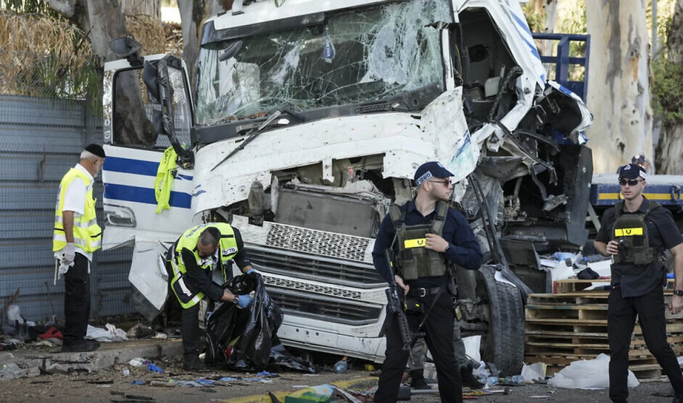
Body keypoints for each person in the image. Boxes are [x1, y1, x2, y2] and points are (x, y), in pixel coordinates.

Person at [372, 161, 483, 403]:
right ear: (426, 183)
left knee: (446, 362)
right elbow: (379, 255)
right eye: (445, 182)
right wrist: (395, 277)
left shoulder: (453, 219)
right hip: (405, 301)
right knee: (394, 362)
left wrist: (448, 248)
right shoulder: (396, 218)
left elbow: (476, 258)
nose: (449, 186)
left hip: (438, 300)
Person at [594, 163, 683, 403]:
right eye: (623, 182)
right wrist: (605, 249)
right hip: (620, 288)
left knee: (657, 345)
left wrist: (678, 293)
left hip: (648, 288)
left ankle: (681, 390)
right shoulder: (612, 214)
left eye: (632, 182)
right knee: (618, 348)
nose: (627, 186)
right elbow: (599, 242)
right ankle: (618, 399)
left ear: (643, 184)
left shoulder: (658, 215)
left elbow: (679, 252)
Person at [166, 222, 256, 371]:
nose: (201, 253)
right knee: (190, 304)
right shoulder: (189, 249)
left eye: (205, 252)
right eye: (200, 250)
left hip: (203, 267)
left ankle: (218, 350)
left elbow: (240, 255)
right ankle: (190, 359)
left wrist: (250, 271)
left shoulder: (233, 236)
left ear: (217, 247)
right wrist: (236, 299)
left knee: (220, 296)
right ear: (199, 238)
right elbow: (204, 286)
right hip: (180, 265)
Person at [53, 144, 106, 353]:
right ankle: (73, 341)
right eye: (100, 165)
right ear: (94, 161)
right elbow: (68, 213)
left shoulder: (79, 179)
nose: (99, 169)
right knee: (77, 296)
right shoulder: (77, 179)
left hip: (78, 249)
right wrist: (70, 244)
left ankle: (78, 338)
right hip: (73, 250)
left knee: (81, 295)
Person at [407, 319, 484, 390]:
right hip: (420, 306)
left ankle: (463, 372)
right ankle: (417, 375)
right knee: (417, 335)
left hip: (444, 305)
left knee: (454, 333)